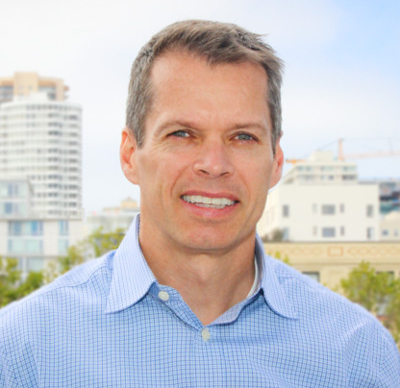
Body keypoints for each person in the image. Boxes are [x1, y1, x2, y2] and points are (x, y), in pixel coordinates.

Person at [0, 20, 399, 387]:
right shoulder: (23, 351)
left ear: (276, 162)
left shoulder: (358, 356)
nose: (214, 164)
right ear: (129, 154)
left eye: (243, 137)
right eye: (182, 134)